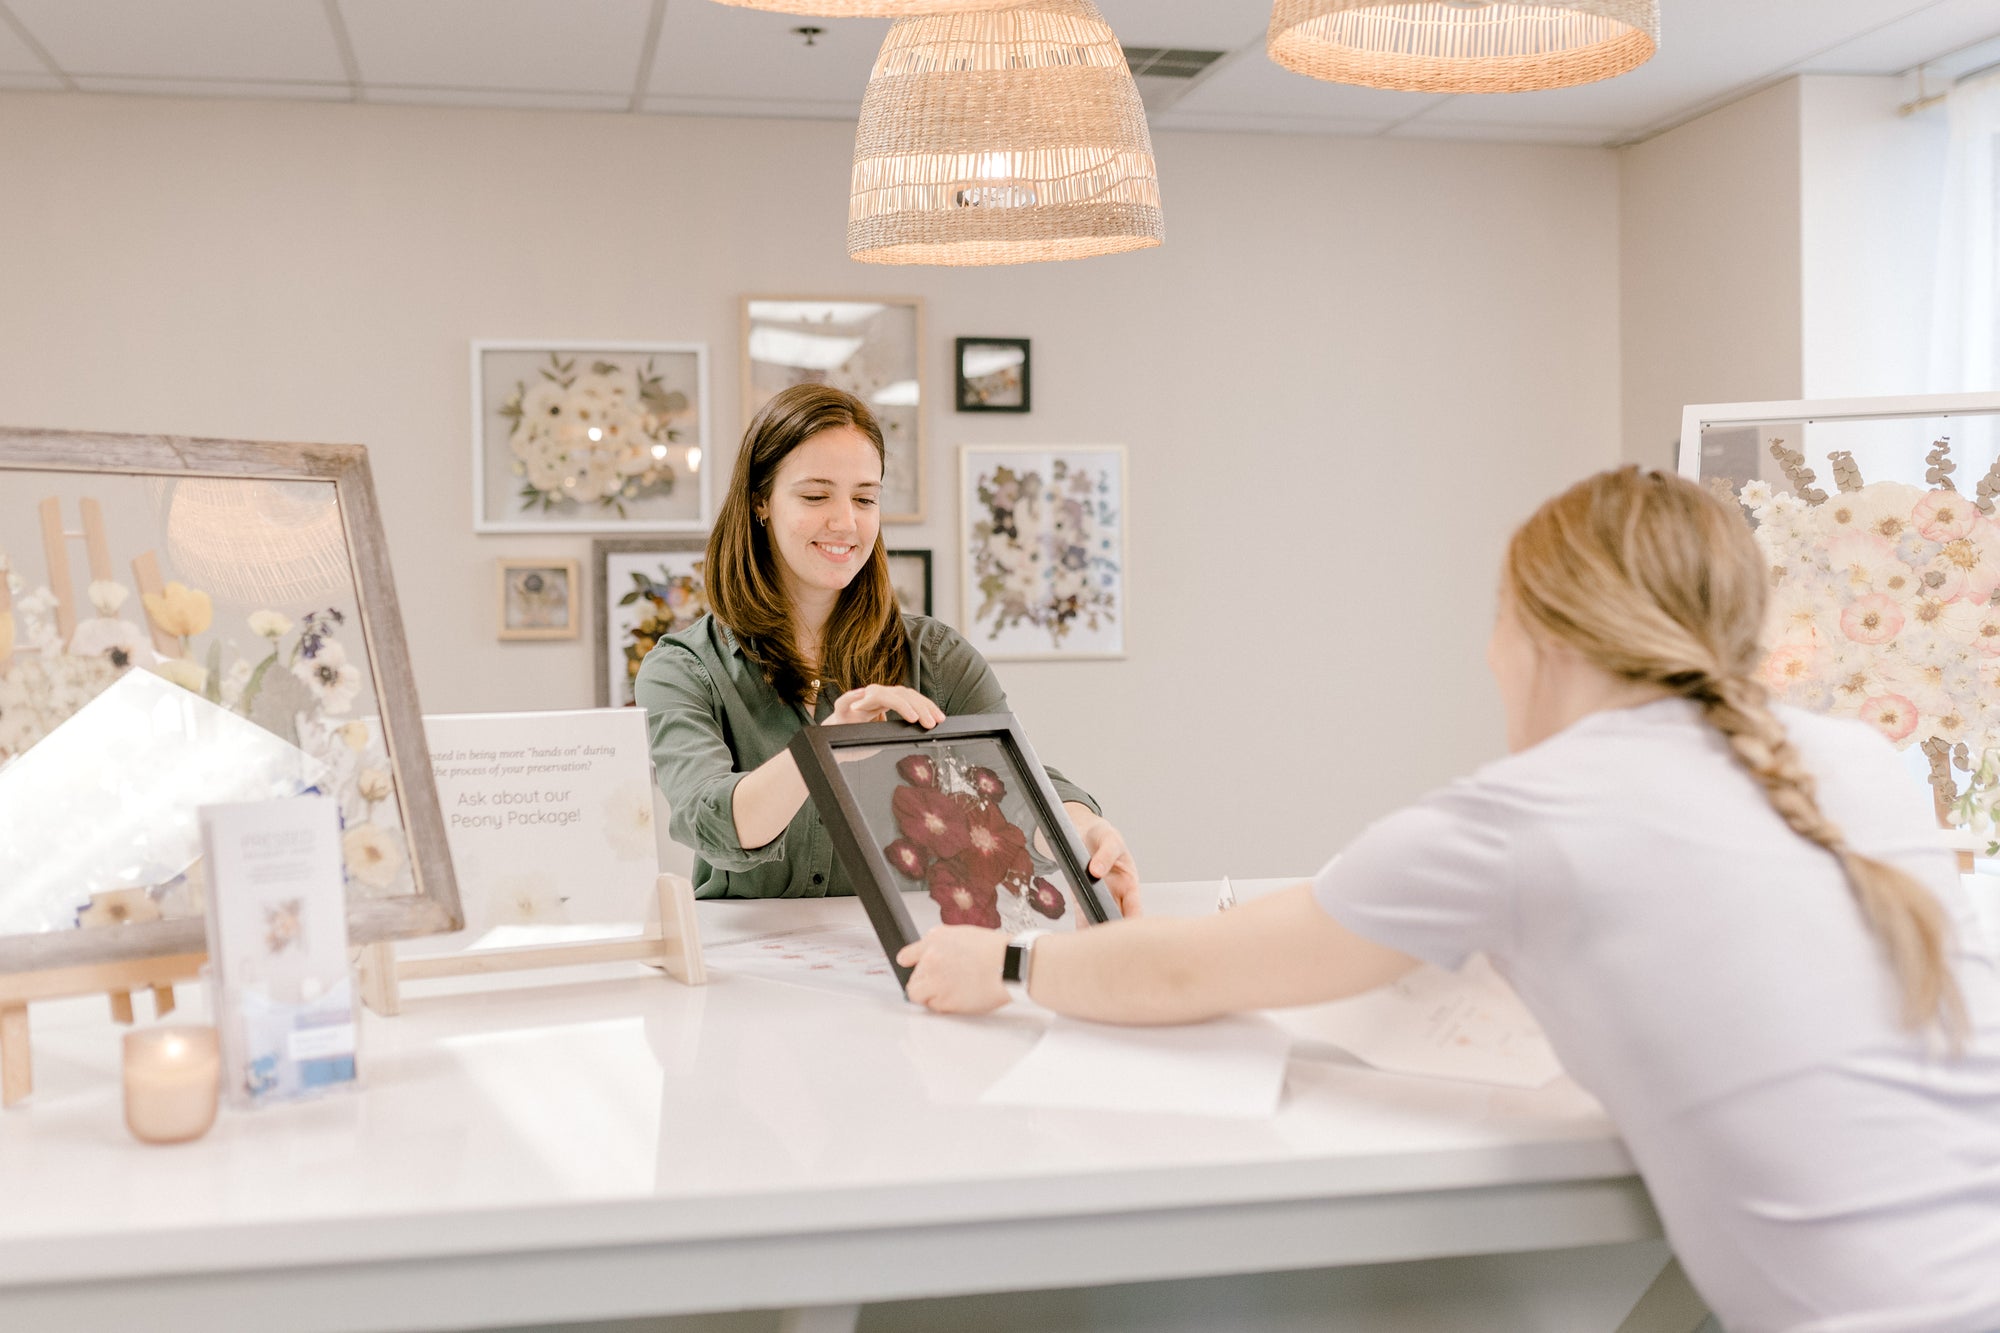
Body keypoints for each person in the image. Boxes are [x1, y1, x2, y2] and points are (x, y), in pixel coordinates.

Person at [899, 467, 2000, 1332]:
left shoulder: (1528, 815)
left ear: (1543, 636)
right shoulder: (1851, 760)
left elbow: (1193, 969)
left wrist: (1002, 961)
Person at [636, 383, 1138, 907]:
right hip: (743, 963)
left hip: (907, 958)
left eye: (864, 498)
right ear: (760, 501)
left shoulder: (937, 658)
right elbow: (710, 819)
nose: (845, 522)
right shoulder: (683, 670)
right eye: (815, 495)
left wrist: (1083, 828)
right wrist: (828, 744)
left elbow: (1021, 785)